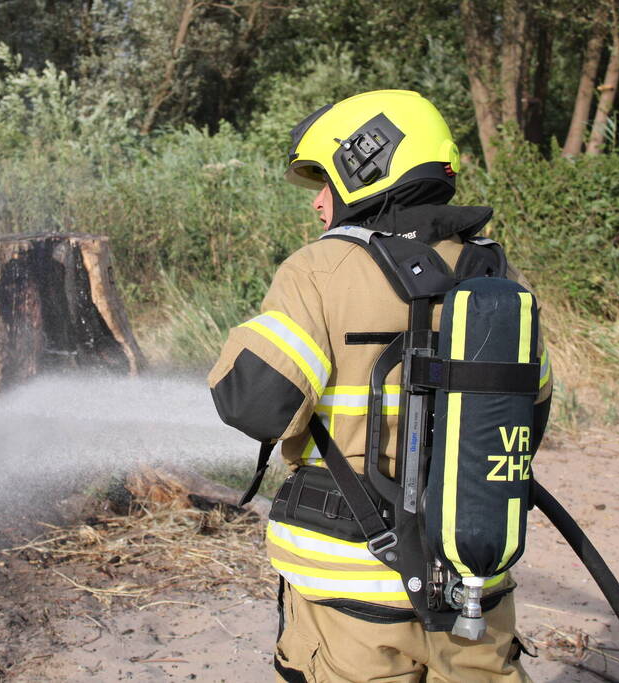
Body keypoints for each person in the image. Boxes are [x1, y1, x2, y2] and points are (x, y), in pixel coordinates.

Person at [207, 90, 553, 682]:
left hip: (350, 581)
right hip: (474, 579)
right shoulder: (498, 277)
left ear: (366, 167)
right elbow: (530, 418)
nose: (318, 201)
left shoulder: (319, 270)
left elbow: (254, 405)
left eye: (325, 182)